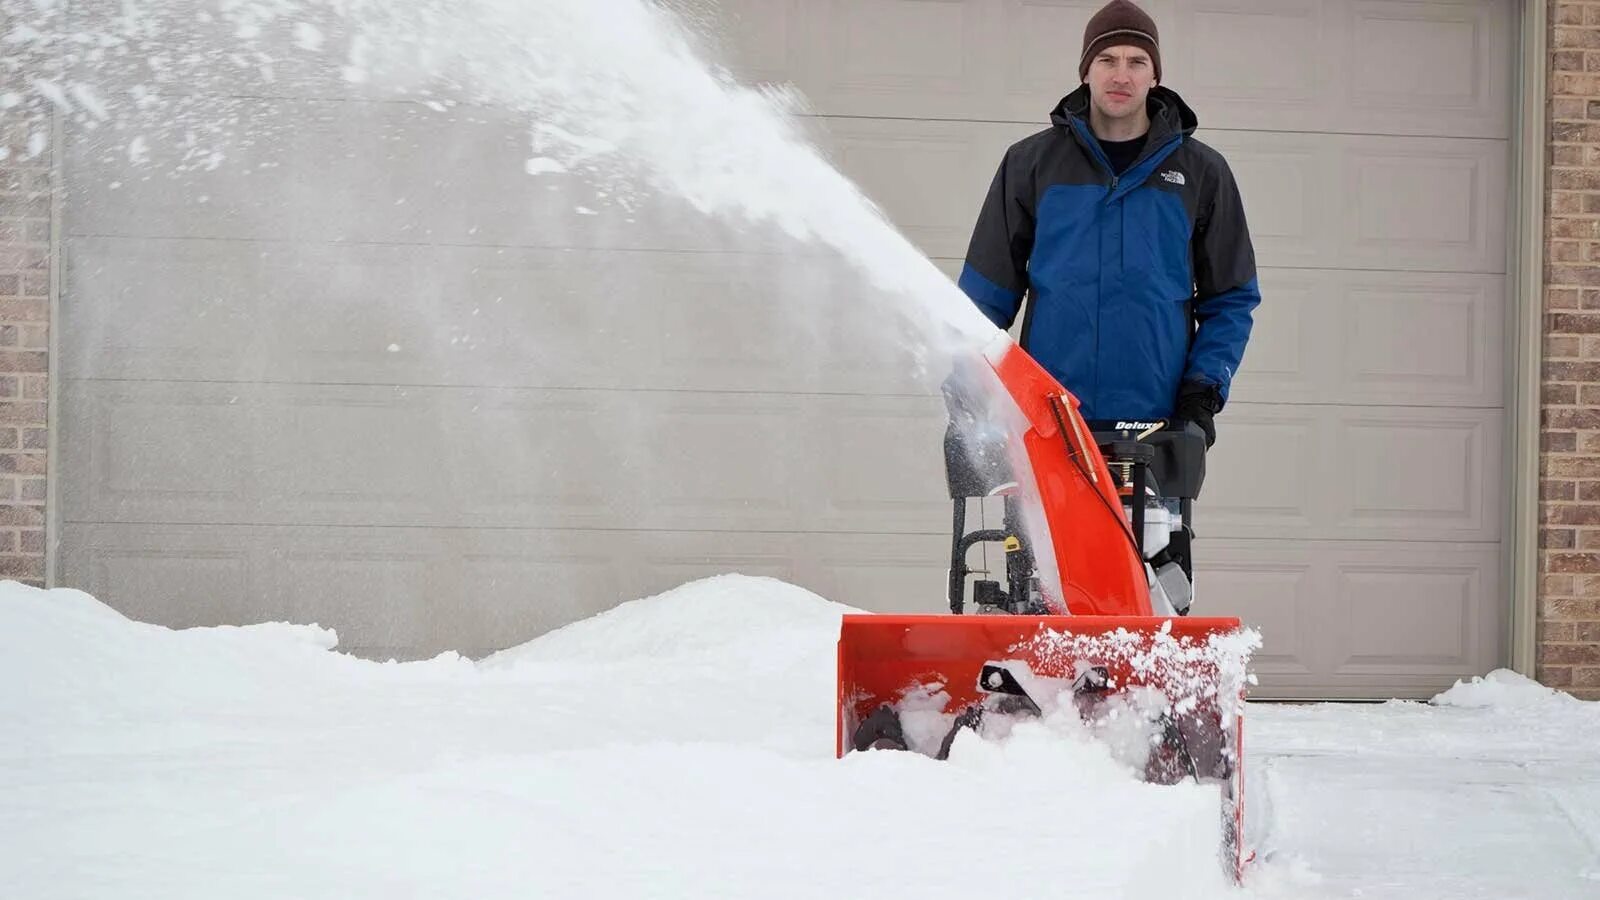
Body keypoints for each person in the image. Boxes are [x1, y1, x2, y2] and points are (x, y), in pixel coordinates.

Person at [957, 0, 1259, 448]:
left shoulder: (1201, 173)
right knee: (1040, 524)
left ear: (1154, 75)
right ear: (1085, 70)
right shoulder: (1031, 165)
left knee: (1146, 524)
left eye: (1137, 62)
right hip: (1048, 419)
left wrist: (1202, 391)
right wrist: (967, 381)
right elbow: (986, 294)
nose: (1122, 76)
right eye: (1107, 60)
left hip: (1157, 426)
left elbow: (1231, 299)